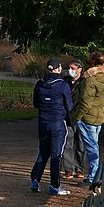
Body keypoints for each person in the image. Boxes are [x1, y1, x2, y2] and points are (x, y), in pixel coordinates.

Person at [30, 58, 74, 195]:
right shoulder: (63, 85)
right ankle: (55, 185)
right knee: (57, 155)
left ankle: (35, 180)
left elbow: (36, 104)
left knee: (43, 152)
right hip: (58, 124)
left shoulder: (39, 84)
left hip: (43, 123)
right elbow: (69, 106)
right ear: (59, 69)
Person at [72, 51, 104, 187]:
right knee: (94, 146)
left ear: (93, 61)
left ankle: (93, 178)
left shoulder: (90, 79)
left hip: (88, 118)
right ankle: (94, 175)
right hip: (99, 115)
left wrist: (76, 117)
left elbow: (85, 103)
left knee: (92, 148)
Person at [62, 59, 86, 180]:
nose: (70, 70)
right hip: (67, 117)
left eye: (73, 68)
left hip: (80, 118)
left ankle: (79, 169)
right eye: (69, 68)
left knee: (81, 145)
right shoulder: (65, 81)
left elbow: (84, 101)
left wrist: (78, 115)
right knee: (67, 144)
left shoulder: (84, 82)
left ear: (80, 70)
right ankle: (68, 169)